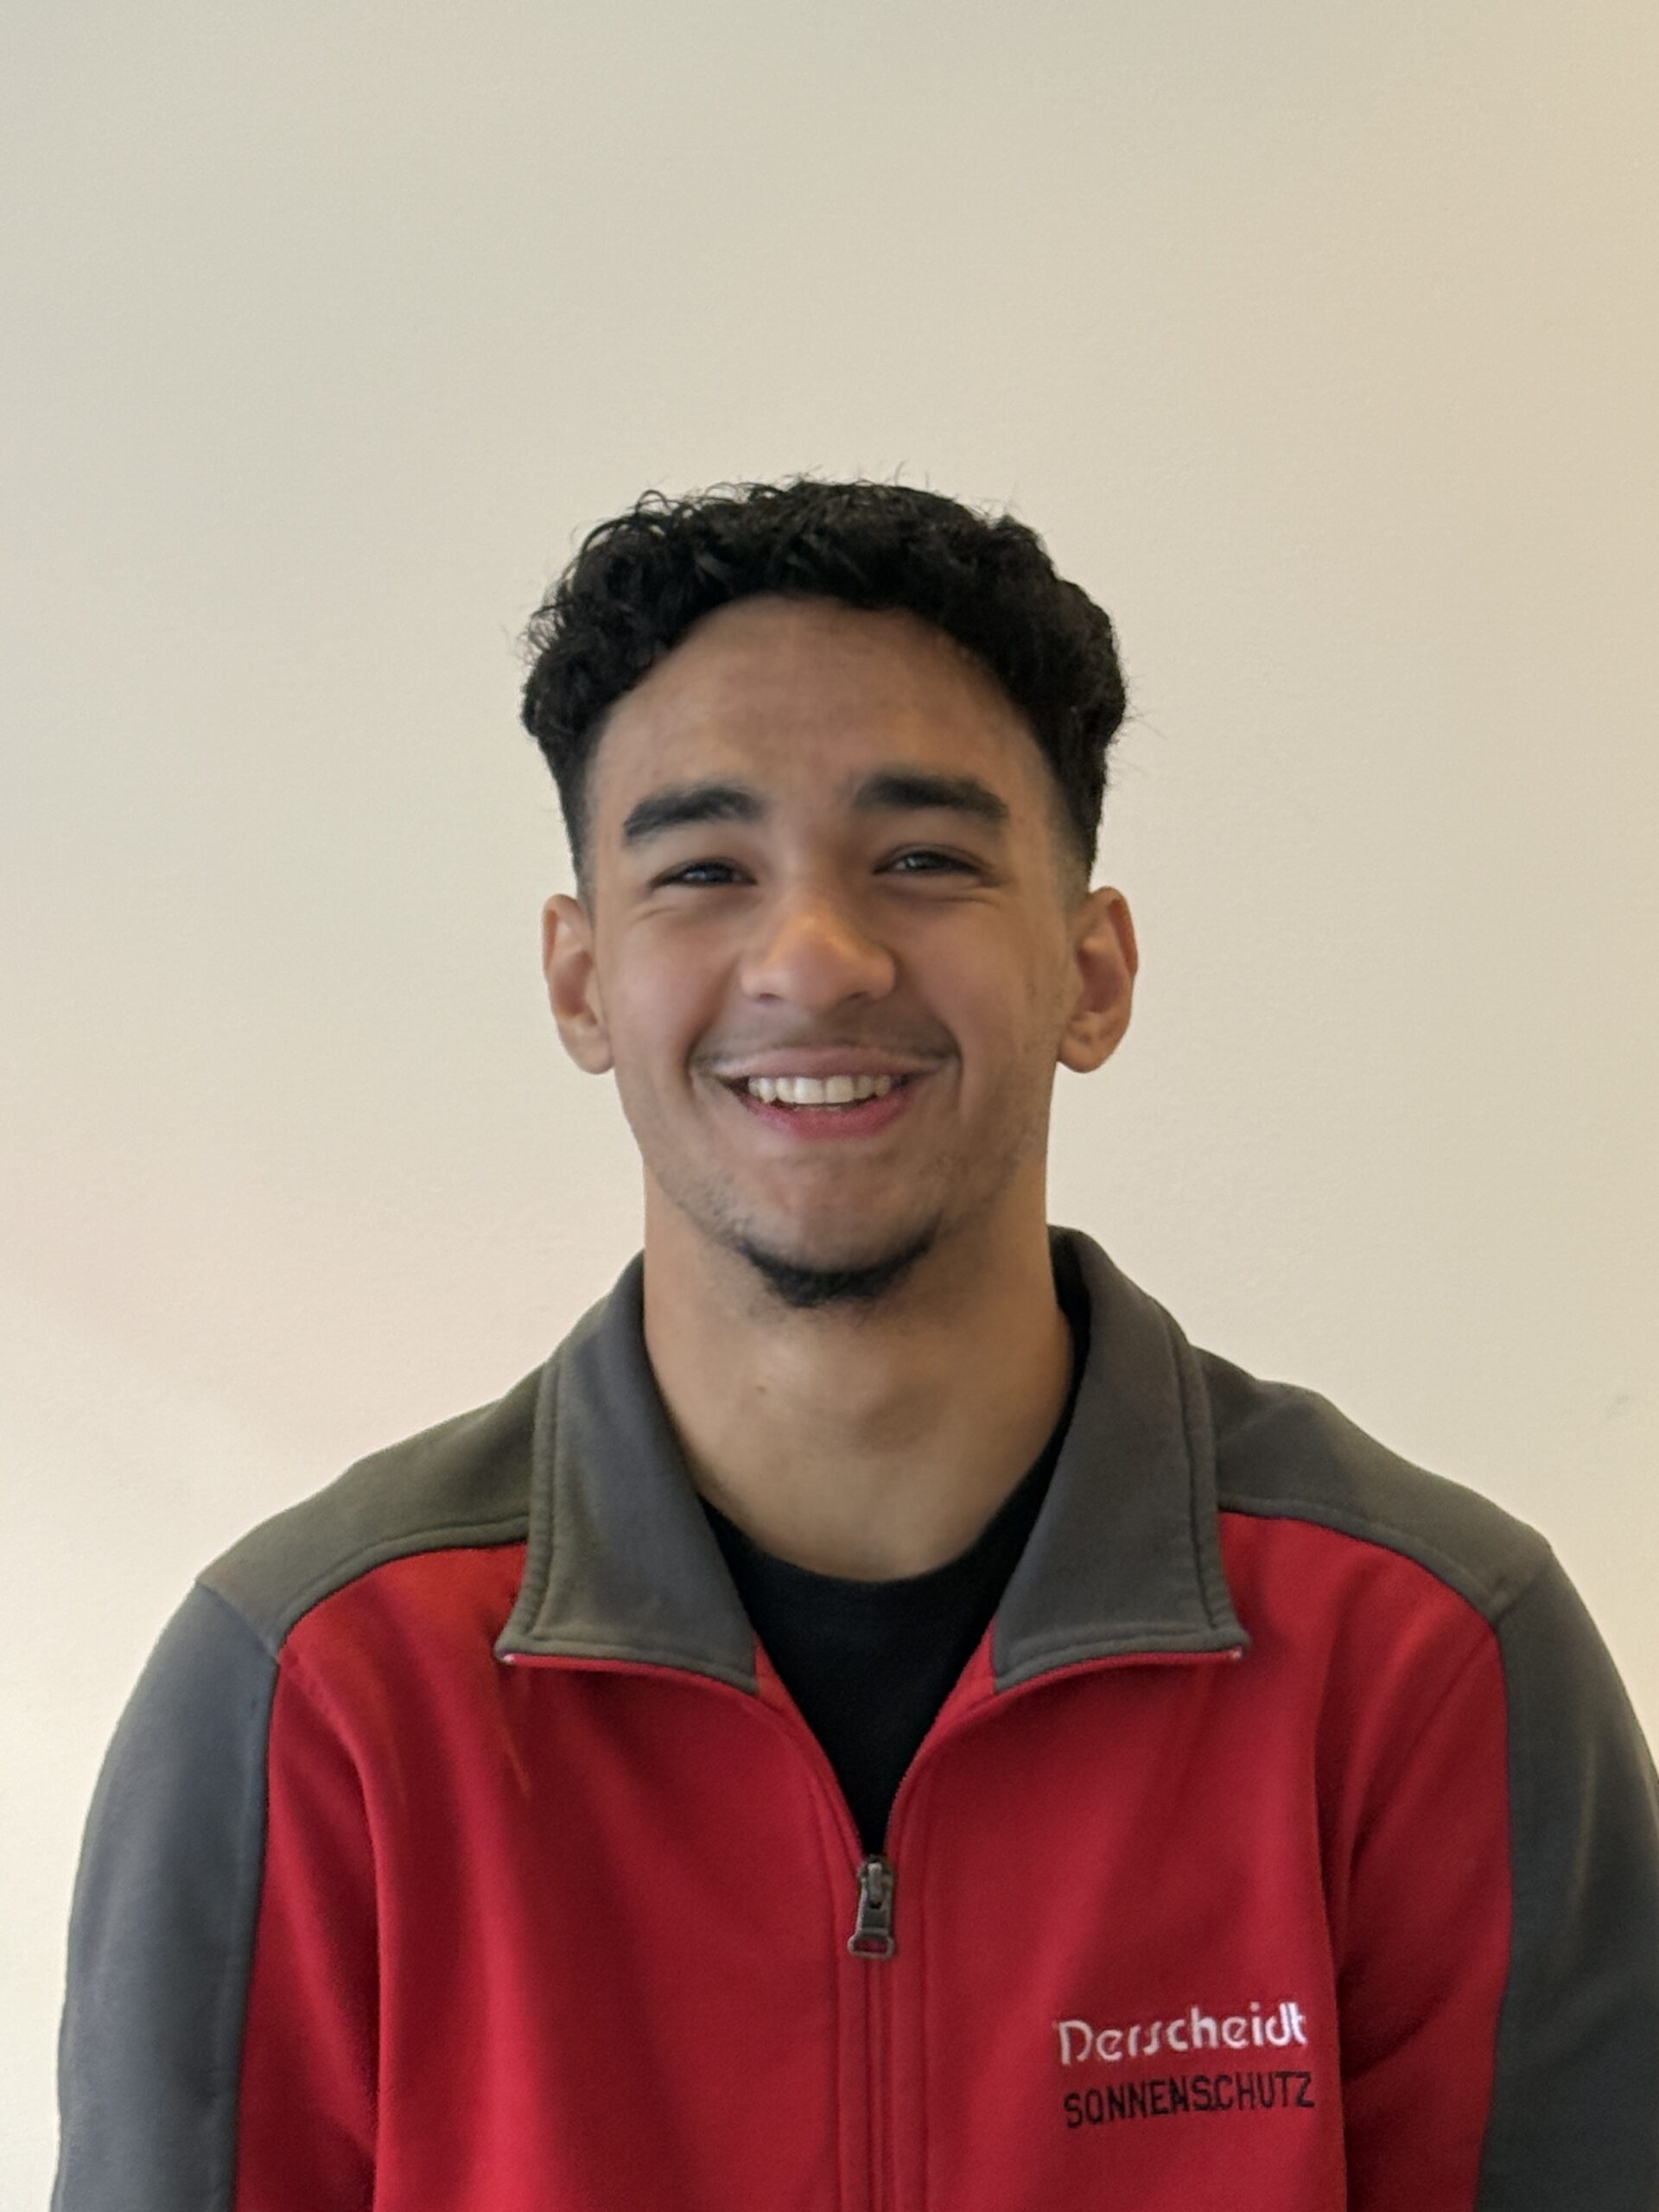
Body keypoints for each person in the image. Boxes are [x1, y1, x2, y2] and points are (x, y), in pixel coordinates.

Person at [52, 478, 1659, 2211]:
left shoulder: (1426, 1660)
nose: (815, 959)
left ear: (1094, 971)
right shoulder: (316, 1694)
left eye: (924, 861)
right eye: (704, 870)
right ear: (582, 983)